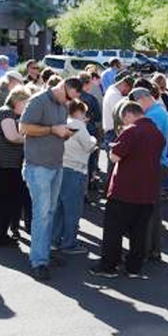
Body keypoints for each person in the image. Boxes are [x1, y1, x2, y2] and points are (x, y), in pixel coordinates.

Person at [89, 102, 165, 278]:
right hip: (147, 190)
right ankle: (134, 267)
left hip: (124, 189)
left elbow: (115, 156)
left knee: (114, 230)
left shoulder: (131, 131)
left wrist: (114, 143)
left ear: (129, 115)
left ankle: (109, 266)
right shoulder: (157, 133)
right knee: (139, 232)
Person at [19, 77, 83, 281]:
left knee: (49, 212)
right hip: (38, 166)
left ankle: (43, 254)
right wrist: (52, 130)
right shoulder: (38, 101)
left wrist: (64, 133)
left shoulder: (63, 104)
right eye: (68, 96)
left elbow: (57, 130)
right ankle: (38, 261)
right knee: (42, 214)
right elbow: (24, 128)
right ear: (62, 87)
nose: (69, 101)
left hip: (55, 165)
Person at [130, 86, 168, 260]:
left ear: (143, 99)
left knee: (147, 210)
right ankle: (153, 249)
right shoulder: (159, 111)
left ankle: (145, 251)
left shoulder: (152, 116)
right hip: (159, 164)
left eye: (136, 104)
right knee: (152, 209)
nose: (136, 110)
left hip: (153, 165)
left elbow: (142, 143)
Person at [0, 87, 31, 246]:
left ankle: (0, 234)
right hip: (3, 162)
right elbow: (12, 136)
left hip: (7, 162)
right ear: (17, 101)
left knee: (6, 198)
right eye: (26, 103)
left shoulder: (9, 113)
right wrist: (31, 139)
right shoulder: (6, 113)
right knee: (3, 199)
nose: (27, 107)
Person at [52, 100, 96, 254]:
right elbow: (89, 145)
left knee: (58, 207)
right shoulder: (78, 125)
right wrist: (94, 139)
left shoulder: (63, 122)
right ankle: (69, 243)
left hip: (60, 167)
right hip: (75, 169)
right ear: (78, 111)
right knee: (73, 209)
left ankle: (54, 240)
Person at [101, 75, 134, 148]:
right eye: (129, 90)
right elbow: (121, 117)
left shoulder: (112, 89)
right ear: (125, 85)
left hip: (111, 131)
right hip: (113, 132)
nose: (128, 93)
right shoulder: (114, 96)